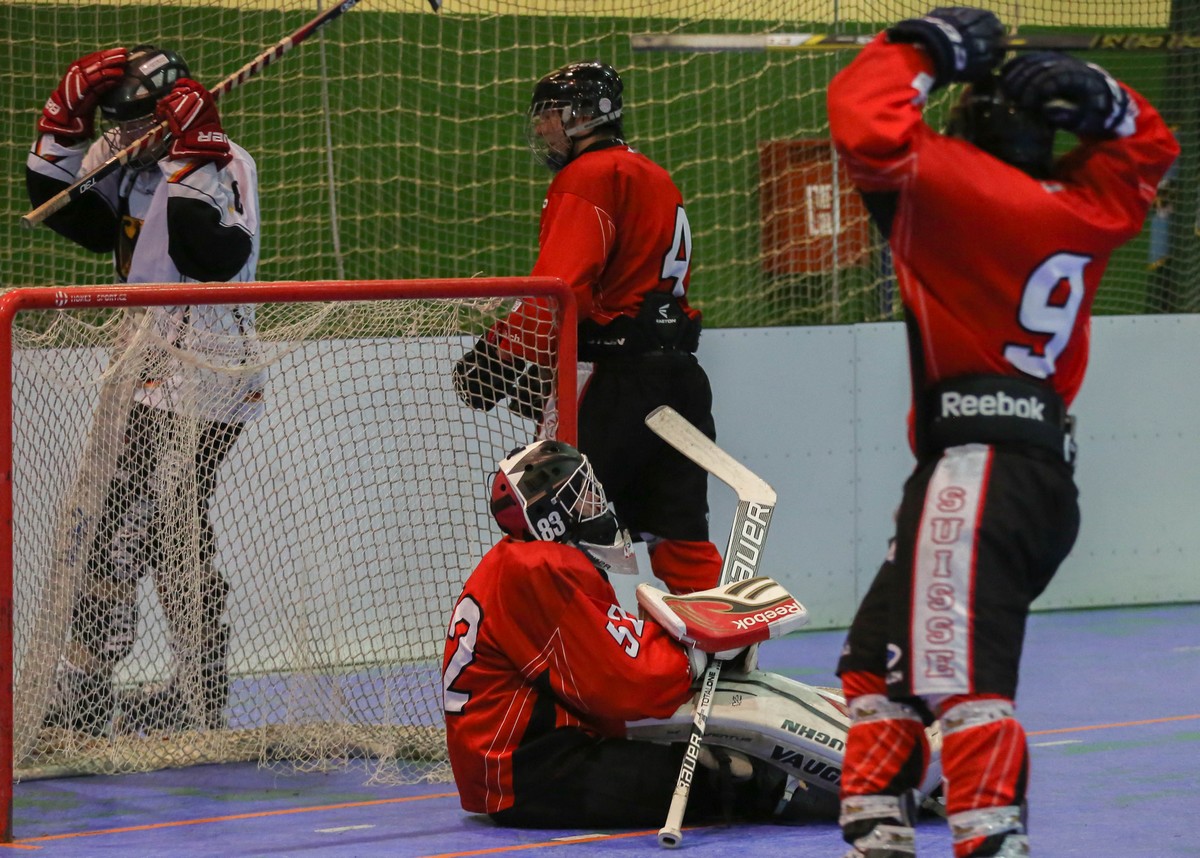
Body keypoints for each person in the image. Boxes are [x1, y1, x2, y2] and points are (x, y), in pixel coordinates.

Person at [825, 7, 1178, 858]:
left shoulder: (957, 191)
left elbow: (864, 121)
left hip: (976, 474)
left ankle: (991, 838)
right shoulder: (1089, 209)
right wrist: (1103, 98)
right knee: (875, 661)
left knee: (961, 680)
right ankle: (877, 829)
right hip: (1027, 477)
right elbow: (1150, 149)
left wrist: (922, 45)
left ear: (969, 135)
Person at [443, 438, 932, 828]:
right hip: (530, 773)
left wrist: (693, 643)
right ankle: (841, 791)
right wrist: (696, 651)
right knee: (728, 773)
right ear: (552, 516)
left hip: (535, 754)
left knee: (720, 738)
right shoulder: (540, 567)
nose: (597, 503)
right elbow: (626, 685)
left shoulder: (526, 563)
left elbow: (603, 665)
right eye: (581, 495)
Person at [27, 45, 264, 735]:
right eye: (116, 123)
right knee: (146, 526)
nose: (126, 136)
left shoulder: (229, 163)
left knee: (148, 524)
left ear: (170, 112)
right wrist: (60, 132)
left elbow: (210, 256)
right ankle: (173, 686)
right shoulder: (119, 152)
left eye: (137, 123)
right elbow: (71, 218)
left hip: (211, 375)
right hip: (143, 368)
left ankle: (129, 686)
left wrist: (194, 154)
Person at [452, 61, 722, 596]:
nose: (540, 127)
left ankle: (573, 645)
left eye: (549, 115)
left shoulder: (588, 176)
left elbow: (559, 290)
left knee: (553, 530)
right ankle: (713, 642)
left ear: (581, 116)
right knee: (682, 539)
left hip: (611, 381)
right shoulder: (655, 175)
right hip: (679, 381)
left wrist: (499, 356)